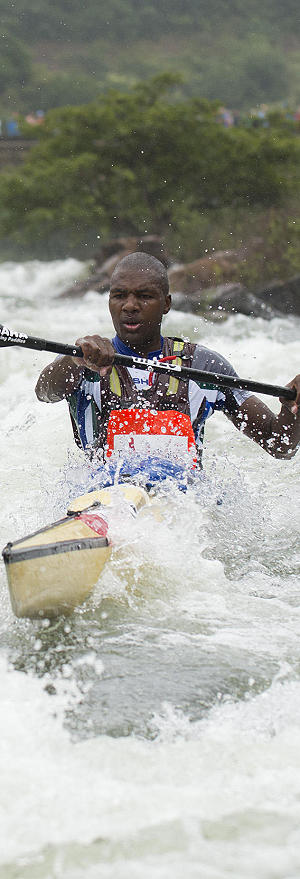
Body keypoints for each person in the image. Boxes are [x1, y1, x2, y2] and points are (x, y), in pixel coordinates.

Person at [35, 252, 300, 480]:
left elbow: (280, 444)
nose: (130, 306)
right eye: (119, 296)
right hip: (101, 500)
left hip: (181, 506)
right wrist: (74, 359)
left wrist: (293, 408)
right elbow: (44, 392)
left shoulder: (204, 365)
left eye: (144, 296)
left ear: (166, 304)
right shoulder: (82, 358)